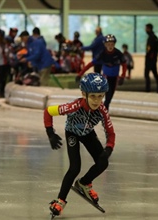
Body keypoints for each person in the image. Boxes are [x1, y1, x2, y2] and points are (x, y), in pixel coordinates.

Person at [44, 72, 115, 217]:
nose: (97, 101)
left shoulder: (102, 110)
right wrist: (50, 133)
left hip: (88, 133)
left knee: (103, 162)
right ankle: (60, 200)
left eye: (100, 96)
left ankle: (84, 183)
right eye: (93, 96)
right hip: (73, 134)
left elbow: (111, 133)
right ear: (84, 94)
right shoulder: (74, 106)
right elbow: (48, 112)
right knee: (75, 167)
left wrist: (108, 149)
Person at [76, 34, 127, 110]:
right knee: (107, 96)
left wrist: (122, 76)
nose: (110, 46)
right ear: (105, 45)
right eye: (108, 44)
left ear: (114, 44)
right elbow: (91, 64)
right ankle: (104, 113)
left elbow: (124, 65)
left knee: (109, 98)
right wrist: (80, 74)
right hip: (106, 77)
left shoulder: (118, 53)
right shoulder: (102, 53)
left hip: (115, 78)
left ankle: (103, 111)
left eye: (112, 44)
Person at [144, 23, 158, 93]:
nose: (145, 30)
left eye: (146, 28)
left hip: (150, 59)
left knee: (147, 74)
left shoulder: (151, 38)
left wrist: (149, 56)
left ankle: (148, 89)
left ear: (149, 28)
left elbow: (150, 49)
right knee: (155, 74)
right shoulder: (155, 37)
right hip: (153, 59)